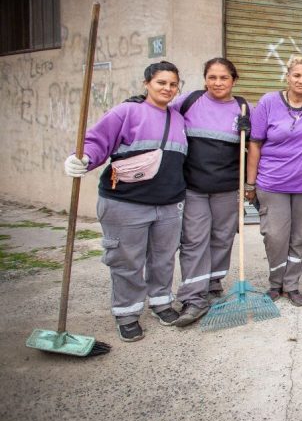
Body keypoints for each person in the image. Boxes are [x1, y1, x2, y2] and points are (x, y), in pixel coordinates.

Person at [63, 61, 187, 343]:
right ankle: (127, 314)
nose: (167, 88)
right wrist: (82, 158)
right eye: (161, 83)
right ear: (146, 84)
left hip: (168, 204)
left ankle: (161, 302)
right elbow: (96, 141)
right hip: (126, 203)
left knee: (163, 259)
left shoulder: (178, 118)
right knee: (127, 261)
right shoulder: (126, 111)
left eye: (172, 84)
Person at [170, 58, 251, 327]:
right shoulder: (188, 101)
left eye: (224, 78)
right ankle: (193, 298)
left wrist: (248, 134)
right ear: (205, 79)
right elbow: (158, 110)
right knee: (194, 240)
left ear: (233, 80)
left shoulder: (242, 108)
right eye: (212, 77)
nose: (218, 83)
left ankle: (213, 285)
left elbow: (256, 144)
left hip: (227, 188)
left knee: (222, 238)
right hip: (193, 188)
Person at [245, 54, 302, 307]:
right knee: (275, 236)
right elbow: (255, 143)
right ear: (288, 76)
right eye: (296, 75)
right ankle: (274, 283)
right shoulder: (269, 102)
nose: (301, 80)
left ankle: (291, 285)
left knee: (298, 237)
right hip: (273, 183)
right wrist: (250, 184)